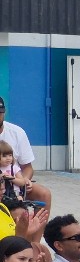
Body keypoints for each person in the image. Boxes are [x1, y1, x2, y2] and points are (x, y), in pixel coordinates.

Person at [0, 96, 52, 239]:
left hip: (14, 184)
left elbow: (27, 167)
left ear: (4, 112)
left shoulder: (17, 132)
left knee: (44, 194)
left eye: (0, 112)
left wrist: (25, 181)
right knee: (18, 213)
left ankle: (35, 243)